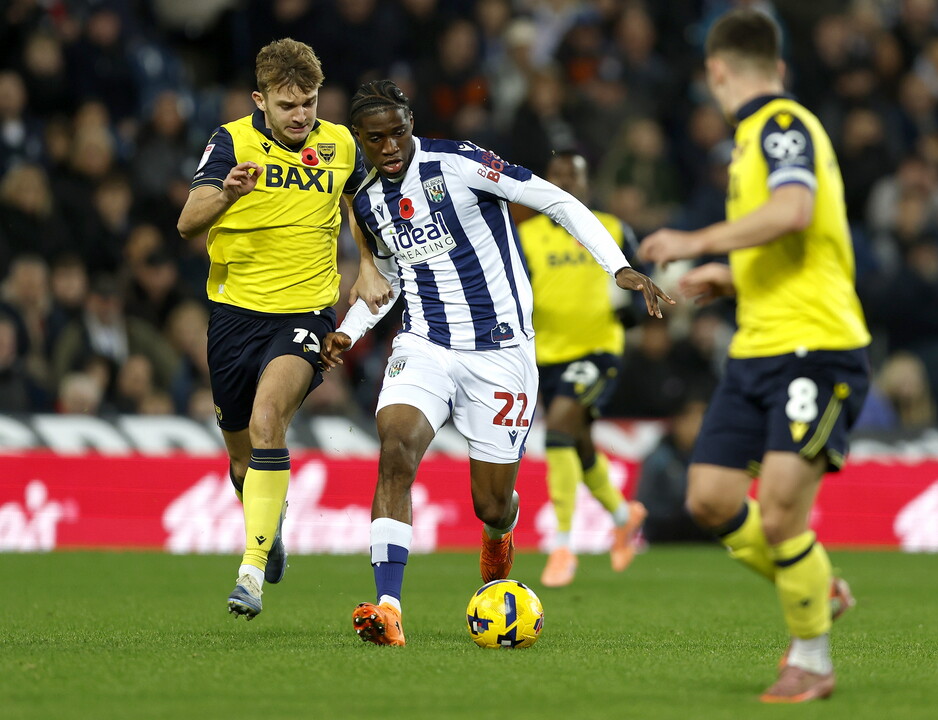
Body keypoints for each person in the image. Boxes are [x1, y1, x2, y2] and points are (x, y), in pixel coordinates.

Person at [322, 80, 673, 646]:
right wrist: (348, 331)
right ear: (359, 140)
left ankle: (498, 536)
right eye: (375, 139)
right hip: (426, 344)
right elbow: (386, 279)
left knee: (491, 503)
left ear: (411, 124)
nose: (389, 147)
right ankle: (389, 606)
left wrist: (618, 268)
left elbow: (555, 200)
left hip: (501, 353)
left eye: (398, 133)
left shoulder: (459, 163)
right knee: (395, 449)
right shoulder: (364, 199)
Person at [638, 9, 871, 704]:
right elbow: (798, 245)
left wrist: (697, 241)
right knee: (709, 498)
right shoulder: (751, 140)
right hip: (757, 351)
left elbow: (796, 210)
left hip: (816, 349)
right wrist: (731, 276)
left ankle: (812, 659)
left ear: (716, 71)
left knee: (776, 516)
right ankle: (815, 584)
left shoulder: (779, 126)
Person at [176, 38, 388, 620]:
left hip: (306, 313)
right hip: (234, 317)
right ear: (260, 100)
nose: (302, 116)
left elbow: (359, 208)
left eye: (310, 103)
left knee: (271, 420)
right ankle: (269, 527)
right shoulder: (230, 143)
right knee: (243, 462)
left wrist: (367, 266)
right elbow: (186, 223)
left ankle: (250, 573)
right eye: (289, 105)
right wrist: (227, 193)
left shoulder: (341, 144)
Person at [516, 150, 647, 588]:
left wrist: (634, 312)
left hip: (596, 350)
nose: (566, 183)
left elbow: (634, 279)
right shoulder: (525, 236)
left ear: (587, 183)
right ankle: (624, 516)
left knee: (558, 428)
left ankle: (562, 545)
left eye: (574, 175)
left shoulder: (608, 228)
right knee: (579, 441)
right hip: (546, 355)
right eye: (557, 176)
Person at [634, 397, 713, 544]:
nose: (700, 427)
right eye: (694, 421)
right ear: (678, 422)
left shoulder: (709, 456)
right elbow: (646, 504)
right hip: (666, 531)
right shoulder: (659, 458)